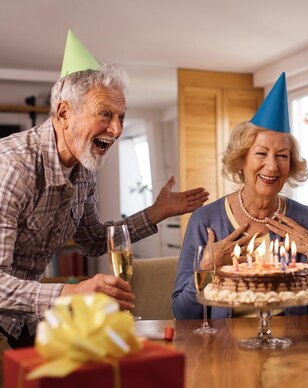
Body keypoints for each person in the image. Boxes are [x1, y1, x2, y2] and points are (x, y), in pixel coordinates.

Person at [0, 32, 208, 347]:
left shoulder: (84, 170)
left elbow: (94, 240)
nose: (117, 129)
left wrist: (156, 212)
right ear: (63, 114)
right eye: (105, 114)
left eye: (121, 117)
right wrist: (70, 291)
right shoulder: (13, 169)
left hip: (23, 318)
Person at [172, 73, 308, 319]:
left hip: (291, 347)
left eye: (282, 155)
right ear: (241, 160)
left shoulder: (306, 219)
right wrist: (206, 268)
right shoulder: (205, 221)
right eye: (261, 154)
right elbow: (182, 313)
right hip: (225, 350)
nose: (271, 167)